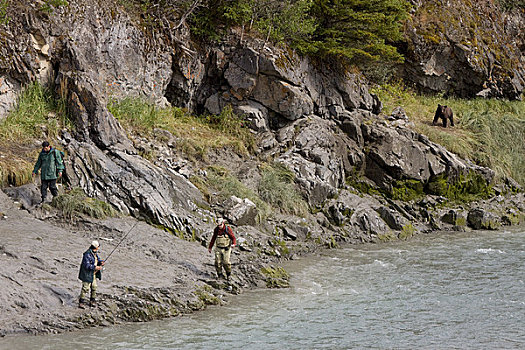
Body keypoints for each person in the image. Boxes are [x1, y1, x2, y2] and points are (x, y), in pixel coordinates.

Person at [78, 240, 105, 309]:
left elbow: (97, 260)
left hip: (93, 274)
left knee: (94, 287)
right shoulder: (87, 254)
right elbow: (87, 265)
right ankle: (81, 302)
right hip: (87, 274)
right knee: (85, 288)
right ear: (96, 247)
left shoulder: (94, 253)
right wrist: (95, 267)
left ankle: (92, 301)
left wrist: (100, 262)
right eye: (98, 246)